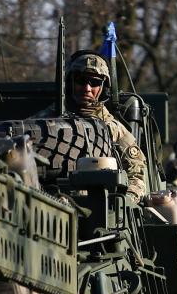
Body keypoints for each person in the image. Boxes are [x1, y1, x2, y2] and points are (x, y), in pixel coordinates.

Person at [42, 52, 146, 196]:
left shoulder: (115, 130)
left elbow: (137, 176)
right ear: (70, 81)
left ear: (104, 87)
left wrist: (122, 201)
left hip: (97, 210)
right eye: (81, 81)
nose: (87, 88)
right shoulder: (46, 120)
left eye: (95, 83)